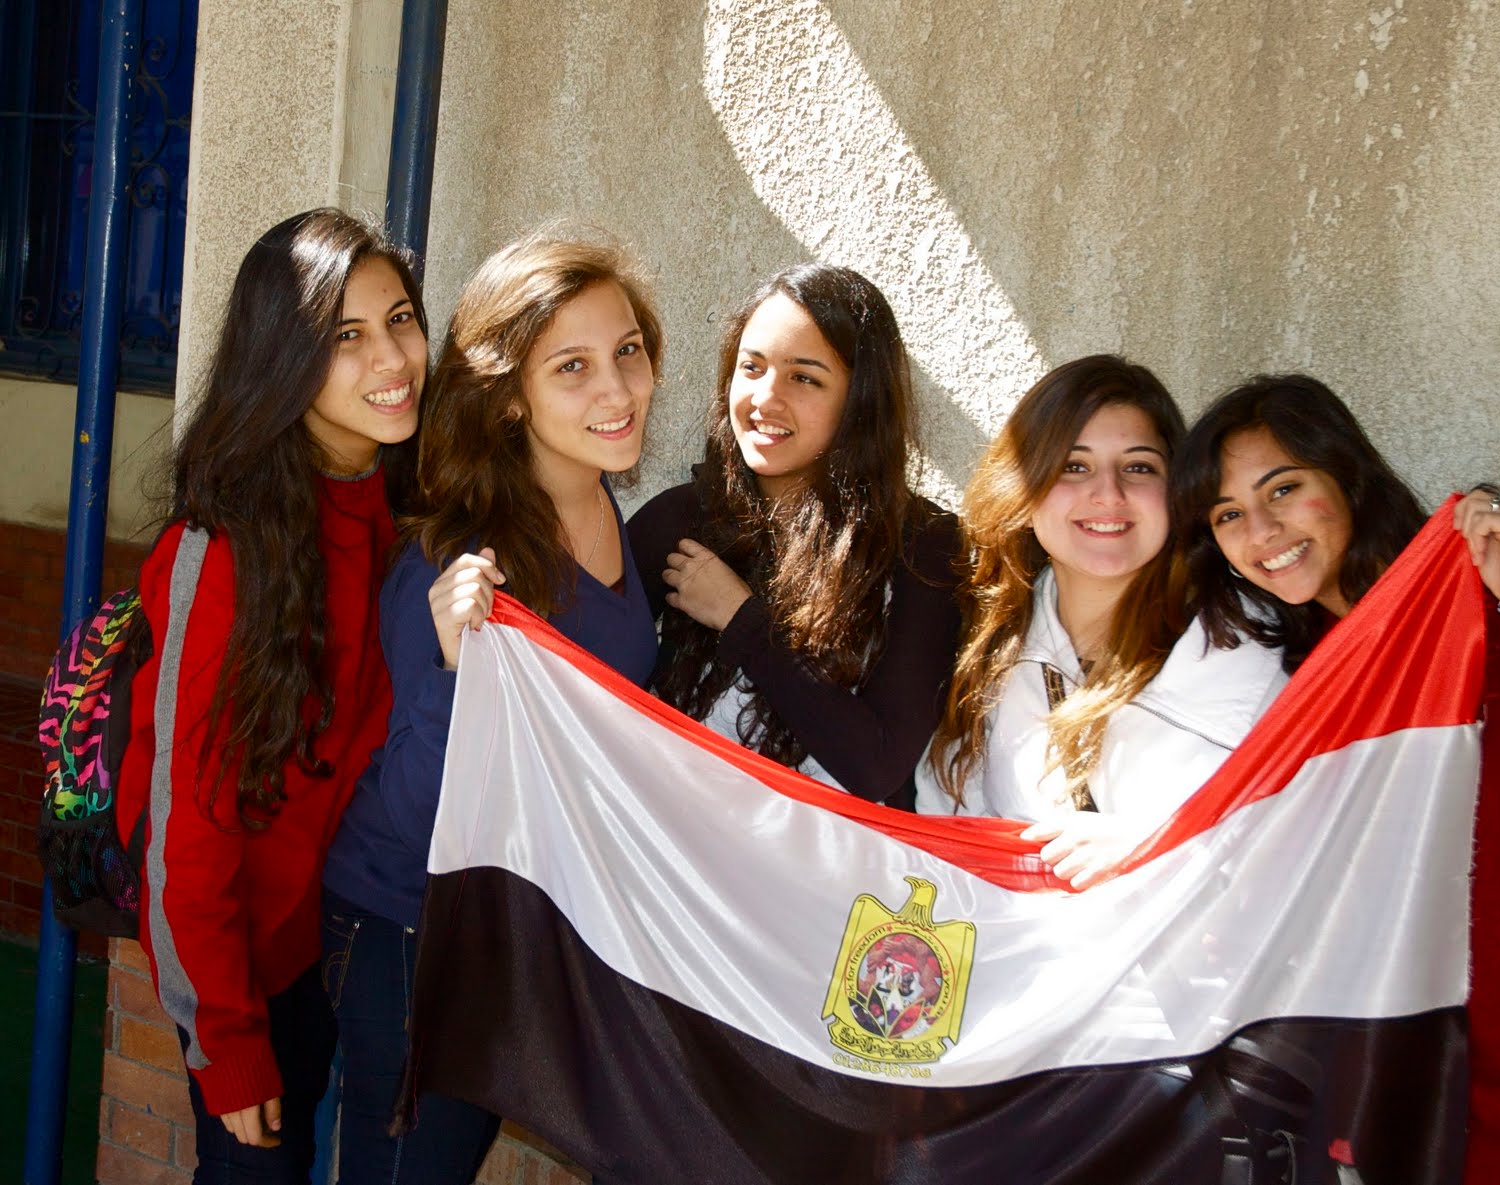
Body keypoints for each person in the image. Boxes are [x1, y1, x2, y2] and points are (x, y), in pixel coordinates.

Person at [1170, 372, 1500, 1183]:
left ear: (1348, 473)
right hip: (1453, 1106)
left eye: (1284, 488)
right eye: (1228, 516)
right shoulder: (1306, 696)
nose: (1261, 530)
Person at [320, 232, 663, 1183]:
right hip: (411, 934)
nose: (618, 390)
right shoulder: (459, 562)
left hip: (513, 925)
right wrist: (452, 665)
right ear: (510, 395)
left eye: (628, 351)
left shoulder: (607, 518)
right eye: (574, 367)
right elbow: (410, 809)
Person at [117, 208, 426, 1180]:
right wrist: (225, 1040)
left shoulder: (398, 507)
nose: (393, 358)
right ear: (283, 356)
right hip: (241, 966)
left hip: (337, 936)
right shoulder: (223, 549)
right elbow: (185, 830)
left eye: (402, 320)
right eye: (346, 336)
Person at [917, 355, 1287, 885]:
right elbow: (948, 838)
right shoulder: (990, 642)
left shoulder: (1254, 643)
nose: (1108, 495)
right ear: (1024, 489)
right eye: (1074, 466)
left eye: (1138, 467)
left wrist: (1160, 846)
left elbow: (1319, 840)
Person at [627, 263, 960, 808]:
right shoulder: (684, 519)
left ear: (861, 399)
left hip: (822, 882)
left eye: (804, 377)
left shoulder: (923, 547)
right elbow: (576, 665)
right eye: (751, 368)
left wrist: (742, 621)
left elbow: (875, 765)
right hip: (671, 873)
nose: (765, 399)